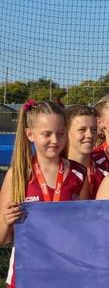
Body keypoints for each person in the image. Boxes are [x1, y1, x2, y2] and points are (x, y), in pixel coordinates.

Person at [0, 100, 89, 288]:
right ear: (30, 134)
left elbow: (87, 229)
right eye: (46, 134)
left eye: (60, 134)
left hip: (67, 272)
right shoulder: (18, 175)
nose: (55, 140)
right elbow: (2, 239)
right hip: (27, 274)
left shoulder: (79, 173)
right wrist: (6, 221)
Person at [65, 105, 104, 198]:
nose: (90, 135)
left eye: (94, 129)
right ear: (66, 132)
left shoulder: (105, 171)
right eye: (82, 130)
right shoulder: (55, 171)